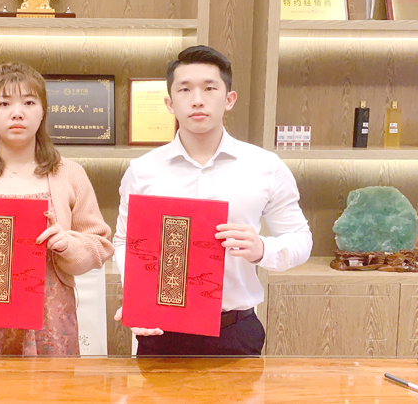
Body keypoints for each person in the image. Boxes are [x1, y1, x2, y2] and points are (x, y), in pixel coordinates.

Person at [113, 45, 313, 356]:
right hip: (161, 330)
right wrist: (139, 295)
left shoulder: (265, 166)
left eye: (209, 88)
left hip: (234, 330)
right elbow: (125, 242)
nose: (197, 99)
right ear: (169, 103)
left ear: (229, 99)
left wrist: (262, 249)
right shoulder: (143, 170)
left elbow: (300, 239)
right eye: (184, 89)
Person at [0, 62, 114, 355]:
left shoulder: (69, 174)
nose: (17, 113)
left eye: (29, 102)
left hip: (50, 324)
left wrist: (68, 244)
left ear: (43, 112)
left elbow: (99, 246)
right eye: (4, 103)